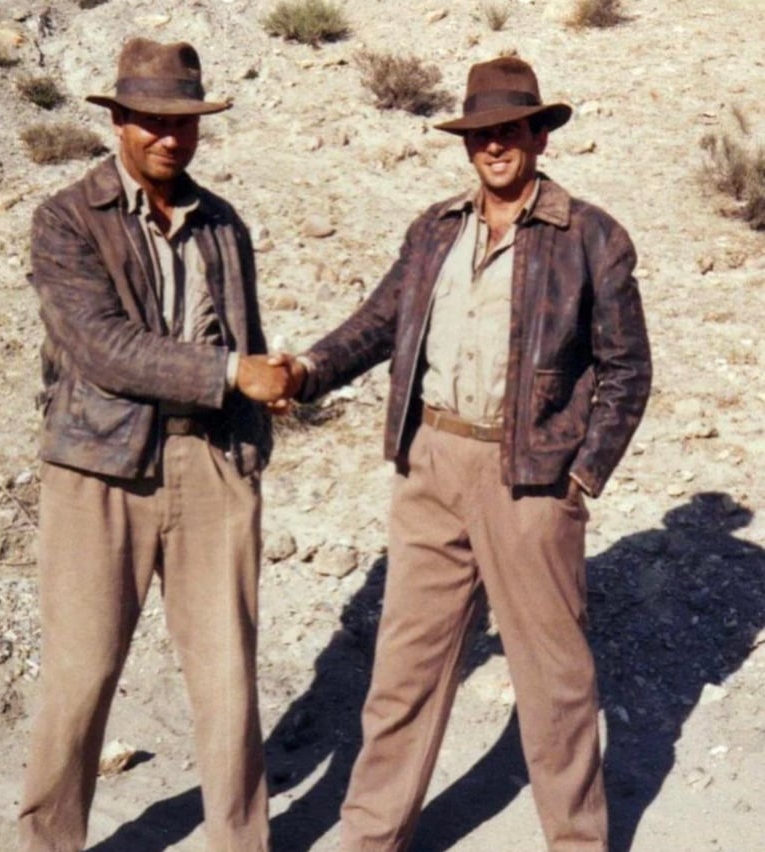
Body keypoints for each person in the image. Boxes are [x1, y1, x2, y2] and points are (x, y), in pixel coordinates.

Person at [279, 56, 652, 850]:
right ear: (467, 143)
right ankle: (372, 836)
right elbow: (379, 324)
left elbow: (628, 368)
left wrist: (581, 475)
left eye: (510, 130)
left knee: (554, 684)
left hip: (531, 481)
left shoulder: (590, 236)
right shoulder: (434, 230)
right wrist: (306, 370)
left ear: (539, 136)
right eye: (481, 134)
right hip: (432, 462)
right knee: (404, 674)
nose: (494, 147)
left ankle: (577, 842)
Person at [18, 37, 293, 852]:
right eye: (152, 120)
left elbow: (246, 333)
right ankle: (49, 842)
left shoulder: (222, 225)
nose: (170, 137)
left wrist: (249, 443)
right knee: (80, 675)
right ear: (121, 122)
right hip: (98, 468)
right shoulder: (66, 219)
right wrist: (231, 375)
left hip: (211, 464)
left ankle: (242, 843)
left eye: (185, 121)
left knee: (226, 680)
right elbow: (102, 347)